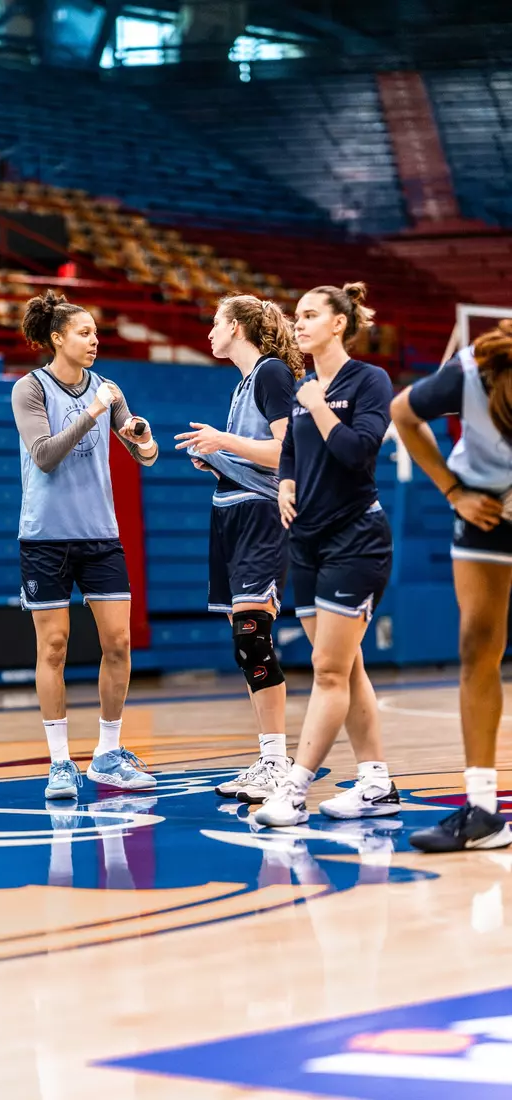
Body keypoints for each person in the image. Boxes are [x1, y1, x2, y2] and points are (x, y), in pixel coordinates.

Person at [254, 282, 399, 827]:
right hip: (308, 542)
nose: (299, 323)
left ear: (339, 323)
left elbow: (359, 452)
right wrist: (287, 482)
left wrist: (319, 409)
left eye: (310, 314)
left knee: (328, 670)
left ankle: (294, 791)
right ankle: (376, 783)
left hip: (355, 539)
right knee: (347, 665)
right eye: (297, 315)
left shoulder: (369, 380)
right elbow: (291, 449)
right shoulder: (302, 387)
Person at [14, 289, 159, 800]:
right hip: (46, 538)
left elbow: (145, 455)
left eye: (96, 333)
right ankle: (59, 763)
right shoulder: (29, 389)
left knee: (117, 643)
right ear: (57, 339)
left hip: (101, 536)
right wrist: (95, 412)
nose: (95, 341)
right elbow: (46, 456)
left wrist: (141, 437)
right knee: (53, 647)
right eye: (84, 332)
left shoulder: (109, 391)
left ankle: (107, 753)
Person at [175, 294, 302, 803]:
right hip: (230, 510)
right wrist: (218, 459)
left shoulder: (271, 372)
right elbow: (255, 453)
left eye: (215, 323)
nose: (209, 331)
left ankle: (276, 761)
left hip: (260, 514)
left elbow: (287, 451)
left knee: (253, 633)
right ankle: (269, 758)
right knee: (243, 640)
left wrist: (224, 443)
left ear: (237, 326)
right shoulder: (245, 383)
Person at [391, 321, 512, 851]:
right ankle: (482, 809)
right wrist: (453, 491)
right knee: (477, 647)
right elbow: (402, 414)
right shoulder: (466, 373)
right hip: (485, 506)